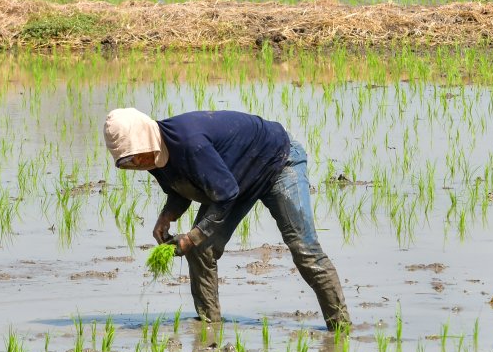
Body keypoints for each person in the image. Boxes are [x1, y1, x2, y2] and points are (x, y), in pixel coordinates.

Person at [102, 108, 351, 330]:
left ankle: (341, 329)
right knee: (200, 251)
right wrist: (166, 217)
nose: (135, 164)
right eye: (126, 162)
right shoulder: (155, 159)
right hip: (235, 180)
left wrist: (191, 237)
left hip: (278, 161)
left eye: (134, 156)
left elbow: (226, 195)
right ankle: (209, 327)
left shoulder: (190, 144)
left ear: (144, 138)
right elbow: (182, 188)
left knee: (304, 250)